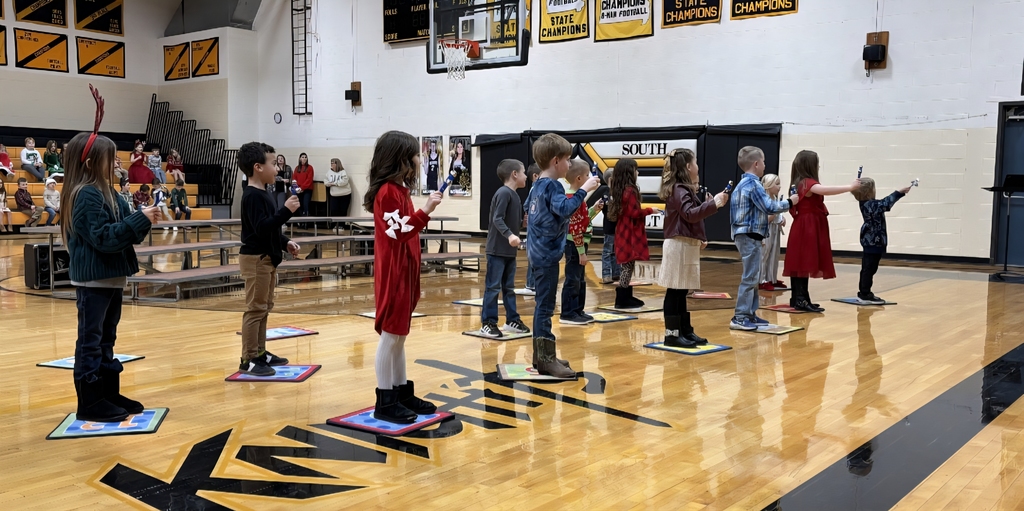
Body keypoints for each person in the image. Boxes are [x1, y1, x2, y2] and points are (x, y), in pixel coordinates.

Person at [61, 89, 162, 421]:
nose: (118, 163)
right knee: (91, 341)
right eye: (112, 158)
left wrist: (144, 218)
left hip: (111, 277)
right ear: (92, 163)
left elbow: (125, 233)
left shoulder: (111, 194)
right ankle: (89, 401)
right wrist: (139, 219)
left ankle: (106, 391)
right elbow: (105, 238)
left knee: (106, 339)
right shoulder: (86, 195)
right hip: (94, 280)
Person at [364, 131, 445, 423]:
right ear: (400, 158)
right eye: (414, 154)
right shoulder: (387, 192)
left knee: (400, 335)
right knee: (391, 335)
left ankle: (400, 392)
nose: (419, 159)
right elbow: (398, 232)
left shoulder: (400, 191)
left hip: (406, 269)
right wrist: (426, 210)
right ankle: (385, 400)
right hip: (394, 271)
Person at [527, 133, 599, 378]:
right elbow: (566, 208)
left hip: (537, 252)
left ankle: (541, 355)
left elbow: (530, 211)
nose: (569, 164)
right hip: (546, 254)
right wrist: (584, 190)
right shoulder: (553, 185)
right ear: (556, 161)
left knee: (542, 305)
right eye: (567, 159)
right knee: (546, 308)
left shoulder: (537, 184)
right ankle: (546, 360)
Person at [237, 142, 301, 376]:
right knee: (255, 310)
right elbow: (262, 228)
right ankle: (249, 358)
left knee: (263, 308)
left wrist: (284, 242)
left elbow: (268, 228)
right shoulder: (252, 195)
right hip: (256, 259)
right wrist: (285, 211)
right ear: (258, 167)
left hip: (266, 258)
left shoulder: (263, 193)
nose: (277, 169)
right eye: (273, 164)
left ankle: (260, 352)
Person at [658, 148, 729, 347]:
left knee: (681, 290)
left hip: (685, 243)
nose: (698, 166)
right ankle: (672, 334)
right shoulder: (679, 189)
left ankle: (684, 330)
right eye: (695, 162)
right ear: (689, 166)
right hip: (678, 245)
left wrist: (700, 236)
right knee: (675, 290)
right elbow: (690, 214)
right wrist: (715, 204)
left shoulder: (683, 188)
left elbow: (689, 217)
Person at [729, 147, 799, 330]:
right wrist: (790, 202)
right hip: (749, 235)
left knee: (753, 276)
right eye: (764, 162)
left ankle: (750, 314)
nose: (765, 165)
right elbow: (769, 207)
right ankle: (740, 317)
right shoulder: (753, 185)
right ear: (756, 164)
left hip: (746, 234)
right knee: (750, 277)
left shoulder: (741, 185)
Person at [783, 150, 861, 312]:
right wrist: (850, 187)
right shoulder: (807, 183)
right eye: (816, 163)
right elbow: (825, 190)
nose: (818, 166)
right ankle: (801, 299)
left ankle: (799, 298)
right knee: (803, 261)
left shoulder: (799, 182)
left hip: (804, 224)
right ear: (810, 165)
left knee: (800, 262)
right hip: (807, 225)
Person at [479, 159, 531, 338]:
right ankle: (488, 323)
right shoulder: (503, 193)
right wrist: (510, 235)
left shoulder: (515, 195)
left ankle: (512, 320)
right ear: (514, 174)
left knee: (509, 288)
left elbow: (509, 220)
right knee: (493, 288)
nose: (526, 176)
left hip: (509, 252)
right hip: (496, 250)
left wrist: (522, 224)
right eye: (523, 172)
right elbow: (497, 219)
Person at [608, 158, 658, 309]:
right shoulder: (630, 190)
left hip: (623, 230)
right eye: (636, 170)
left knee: (627, 265)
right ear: (630, 172)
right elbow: (633, 213)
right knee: (628, 265)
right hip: (629, 232)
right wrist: (650, 210)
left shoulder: (619, 189)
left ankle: (626, 296)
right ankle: (622, 298)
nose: (638, 172)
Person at [560, 160, 605, 325]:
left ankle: (578, 310)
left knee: (580, 279)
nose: (590, 177)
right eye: (587, 175)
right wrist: (581, 252)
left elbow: (583, 220)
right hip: (574, 245)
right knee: (573, 279)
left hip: (579, 244)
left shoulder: (578, 198)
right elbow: (575, 229)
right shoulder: (572, 198)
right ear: (579, 178)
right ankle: (568, 313)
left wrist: (594, 209)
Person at [852, 177, 911, 304]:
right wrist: (898, 192)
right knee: (868, 268)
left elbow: (883, 204)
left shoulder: (870, 203)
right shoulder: (869, 204)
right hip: (872, 241)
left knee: (871, 268)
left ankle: (865, 292)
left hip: (876, 242)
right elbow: (885, 204)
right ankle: (864, 293)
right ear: (868, 191)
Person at [515, 164, 543, 296]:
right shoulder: (536, 188)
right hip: (535, 229)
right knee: (534, 257)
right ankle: (531, 285)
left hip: (536, 228)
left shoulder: (539, 188)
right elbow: (527, 205)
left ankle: (533, 285)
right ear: (535, 176)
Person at [758, 174, 787, 291]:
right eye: (777, 184)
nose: (779, 186)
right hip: (766, 229)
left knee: (774, 255)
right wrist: (775, 212)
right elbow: (765, 219)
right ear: (768, 185)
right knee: (764, 255)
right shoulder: (763, 200)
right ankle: (761, 280)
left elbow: (778, 214)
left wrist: (782, 218)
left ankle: (771, 279)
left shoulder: (775, 199)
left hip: (775, 228)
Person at [600, 168, 621, 284]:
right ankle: (606, 274)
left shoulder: (619, 193)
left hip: (618, 227)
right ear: (611, 179)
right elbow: (604, 209)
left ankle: (616, 273)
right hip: (609, 227)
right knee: (607, 251)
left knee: (616, 251)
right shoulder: (606, 193)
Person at [293, 152, 314, 220]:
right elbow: (294, 179)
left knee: (305, 204)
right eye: (302, 157)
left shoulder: (310, 167)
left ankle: (306, 221)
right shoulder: (297, 168)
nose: (304, 158)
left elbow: (309, 179)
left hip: (307, 189)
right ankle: (301, 221)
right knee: (299, 205)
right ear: (300, 158)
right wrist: (297, 188)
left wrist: (302, 188)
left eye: (305, 157)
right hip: (298, 190)